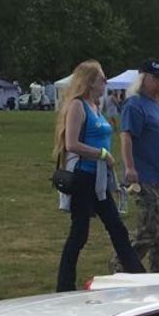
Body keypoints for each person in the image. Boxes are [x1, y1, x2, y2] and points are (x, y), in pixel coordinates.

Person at [53, 59, 144, 292]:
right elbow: (72, 143)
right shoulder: (78, 106)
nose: (106, 83)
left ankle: (139, 277)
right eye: (103, 79)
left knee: (117, 228)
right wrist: (102, 154)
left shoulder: (95, 106)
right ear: (90, 81)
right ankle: (64, 286)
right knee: (79, 234)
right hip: (84, 178)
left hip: (100, 181)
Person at [119, 59, 159, 273]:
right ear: (143, 79)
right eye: (157, 78)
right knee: (150, 227)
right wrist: (129, 167)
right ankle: (122, 266)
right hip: (146, 175)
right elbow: (126, 136)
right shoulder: (134, 105)